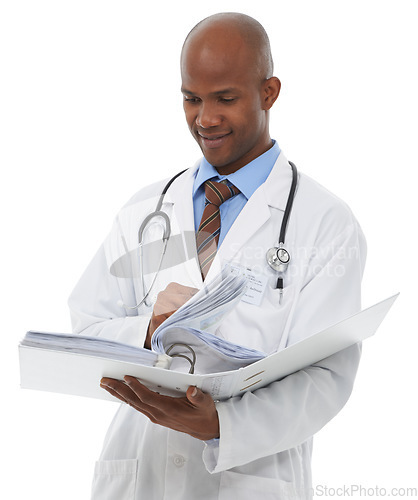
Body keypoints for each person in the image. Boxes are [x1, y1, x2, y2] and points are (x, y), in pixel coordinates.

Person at [68, 12, 366, 500]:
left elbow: (327, 378)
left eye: (225, 98)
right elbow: (84, 332)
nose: (205, 118)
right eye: (191, 98)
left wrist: (223, 424)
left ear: (268, 92)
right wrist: (147, 329)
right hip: (142, 475)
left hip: (250, 480)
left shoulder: (325, 221)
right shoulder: (144, 209)